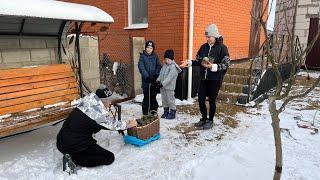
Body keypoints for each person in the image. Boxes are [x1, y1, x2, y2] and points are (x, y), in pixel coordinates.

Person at [56, 85, 137, 173]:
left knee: (89, 141)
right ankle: (73, 159)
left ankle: (72, 153)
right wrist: (129, 124)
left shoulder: (88, 100)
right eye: (109, 100)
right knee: (108, 157)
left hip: (61, 140)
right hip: (74, 145)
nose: (110, 103)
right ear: (103, 100)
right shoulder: (98, 113)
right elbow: (113, 124)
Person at [180, 24, 230, 130]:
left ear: (215, 36)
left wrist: (213, 66)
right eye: (206, 37)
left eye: (209, 37)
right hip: (204, 79)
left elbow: (226, 64)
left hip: (215, 80)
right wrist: (189, 62)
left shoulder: (222, 48)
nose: (207, 39)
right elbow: (198, 60)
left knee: (212, 101)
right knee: (201, 99)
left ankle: (210, 120)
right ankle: (203, 118)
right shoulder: (203, 47)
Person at [138, 40, 162, 116]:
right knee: (146, 97)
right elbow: (141, 68)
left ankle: (153, 110)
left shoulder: (155, 56)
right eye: (148, 47)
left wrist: (156, 75)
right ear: (145, 48)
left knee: (153, 96)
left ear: (153, 49)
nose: (149, 49)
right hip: (146, 81)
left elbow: (159, 66)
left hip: (154, 81)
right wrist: (147, 77)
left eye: (151, 48)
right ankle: (145, 111)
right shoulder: (142, 57)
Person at [156, 49, 182, 119]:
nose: (167, 61)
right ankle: (166, 111)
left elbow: (169, 78)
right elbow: (161, 74)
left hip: (169, 88)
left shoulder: (173, 67)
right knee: (164, 100)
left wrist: (162, 84)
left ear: (172, 59)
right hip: (163, 88)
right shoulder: (164, 65)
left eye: (168, 59)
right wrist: (158, 80)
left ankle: (172, 112)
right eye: (166, 59)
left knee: (170, 100)